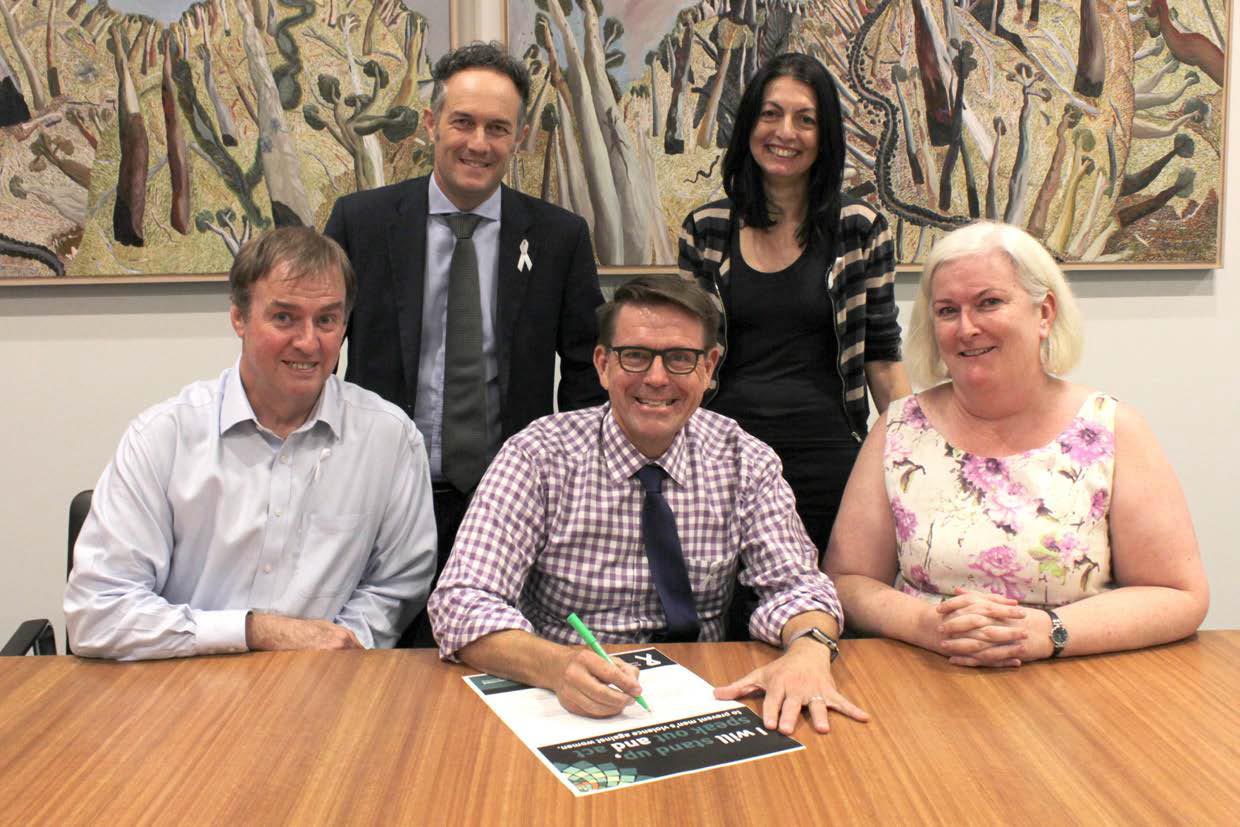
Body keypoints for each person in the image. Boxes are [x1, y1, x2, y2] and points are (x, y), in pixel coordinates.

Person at [429, 276, 868, 736]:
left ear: (709, 367)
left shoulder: (745, 459)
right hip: (560, 699)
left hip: (706, 692)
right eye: (635, 356)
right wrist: (554, 666)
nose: (656, 379)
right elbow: (462, 601)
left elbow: (799, 587)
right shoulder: (538, 455)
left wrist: (809, 651)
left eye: (680, 358)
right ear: (602, 364)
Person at [824, 221, 1209, 666]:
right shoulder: (899, 429)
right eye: (947, 310)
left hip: (1079, 678)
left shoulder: (1112, 429)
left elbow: (1178, 595)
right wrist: (930, 626)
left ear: (1043, 313)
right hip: (928, 672)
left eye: (989, 303)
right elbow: (847, 580)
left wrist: (1050, 632)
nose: (966, 328)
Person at [324, 42, 606, 643]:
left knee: (500, 663)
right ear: (431, 124)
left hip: (511, 503)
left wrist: (579, 486)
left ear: (520, 137)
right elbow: (318, 354)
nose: (479, 143)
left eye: (498, 128)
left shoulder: (559, 238)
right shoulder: (361, 223)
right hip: (385, 494)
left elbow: (586, 372)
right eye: (464, 122)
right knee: (382, 667)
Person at [64, 228, 437, 661]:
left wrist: (339, 645)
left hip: (326, 685)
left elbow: (396, 586)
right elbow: (97, 612)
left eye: (327, 320)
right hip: (178, 684)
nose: (308, 342)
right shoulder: (164, 438)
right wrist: (253, 631)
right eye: (284, 318)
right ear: (239, 318)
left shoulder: (389, 439)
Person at [678, 53, 909, 560]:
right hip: (723, 456)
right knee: (729, 618)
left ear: (825, 136)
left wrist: (915, 464)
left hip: (830, 455)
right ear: (748, 127)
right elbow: (685, 356)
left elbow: (883, 357)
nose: (786, 132)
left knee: (830, 611)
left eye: (806, 119)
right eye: (771, 114)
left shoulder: (860, 228)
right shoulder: (705, 229)